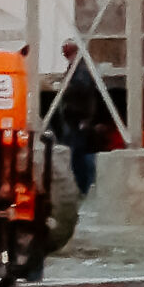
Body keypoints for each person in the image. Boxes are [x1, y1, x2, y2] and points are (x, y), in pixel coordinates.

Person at [53, 39, 111, 196]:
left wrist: (65, 88)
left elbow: (82, 88)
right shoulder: (81, 67)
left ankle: (83, 187)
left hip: (78, 120)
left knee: (77, 155)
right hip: (78, 120)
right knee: (78, 154)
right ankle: (83, 186)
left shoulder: (81, 69)